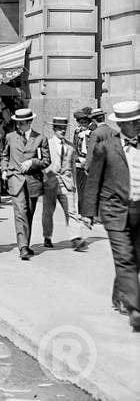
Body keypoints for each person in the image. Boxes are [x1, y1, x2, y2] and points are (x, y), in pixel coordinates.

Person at [82, 100, 140, 331]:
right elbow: (93, 181)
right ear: (122, 125)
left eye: (138, 122)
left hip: (139, 209)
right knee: (125, 257)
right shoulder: (105, 147)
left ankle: (120, 293)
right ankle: (135, 309)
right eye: (132, 123)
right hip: (115, 210)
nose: (137, 126)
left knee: (135, 258)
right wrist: (88, 213)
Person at [1, 107, 49, 260]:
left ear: (29, 122)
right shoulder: (10, 137)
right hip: (15, 179)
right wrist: (4, 170)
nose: (18, 126)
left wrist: (32, 162)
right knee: (20, 212)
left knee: (29, 213)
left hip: (33, 181)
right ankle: (22, 247)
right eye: (17, 123)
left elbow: (46, 161)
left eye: (22, 123)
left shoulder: (40, 138)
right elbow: (5, 156)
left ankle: (26, 245)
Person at [42, 115, 87, 251]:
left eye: (64, 129)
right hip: (50, 182)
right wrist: (45, 176)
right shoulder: (47, 144)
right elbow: (43, 163)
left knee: (72, 212)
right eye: (60, 129)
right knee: (48, 212)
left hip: (67, 184)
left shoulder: (71, 147)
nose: (62, 131)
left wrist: (73, 185)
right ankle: (47, 236)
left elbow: (73, 166)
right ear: (54, 129)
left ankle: (76, 238)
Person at [72, 107, 92, 202]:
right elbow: (74, 147)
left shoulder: (92, 133)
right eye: (81, 123)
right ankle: (81, 213)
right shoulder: (77, 132)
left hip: (90, 164)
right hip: (79, 164)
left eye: (85, 123)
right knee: (81, 190)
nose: (83, 125)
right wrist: (79, 159)